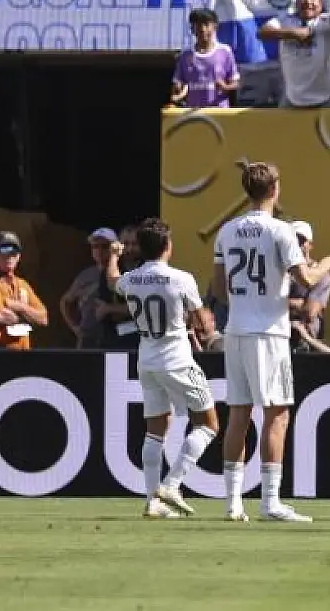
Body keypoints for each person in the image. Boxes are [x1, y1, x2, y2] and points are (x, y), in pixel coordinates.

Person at [210, 162, 330, 523]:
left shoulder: (227, 230)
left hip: (236, 328)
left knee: (238, 414)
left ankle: (234, 502)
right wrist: (328, 262)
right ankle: (270, 501)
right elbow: (307, 277)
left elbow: (219, 289)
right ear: (275, 189)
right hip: (269, 331)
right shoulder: (281, 231)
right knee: (277, 413)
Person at [110, 217, 221, 520]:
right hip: (178, 359)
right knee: (209, 424)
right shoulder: (181, 279)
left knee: (156, 429)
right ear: (168, 247)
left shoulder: (131, 279)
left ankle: (151, 500)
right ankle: (172, 483)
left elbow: (112, 280)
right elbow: (201, 322)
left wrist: (112, 257)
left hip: (147, 359)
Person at [0, 232, 48, 350]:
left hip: (20, 352)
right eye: (4, 251)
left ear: (19, 257)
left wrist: (19, 306)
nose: (9, 257)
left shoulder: (22, 284)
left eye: (14, 253)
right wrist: (29, 319)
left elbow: (43, 318)